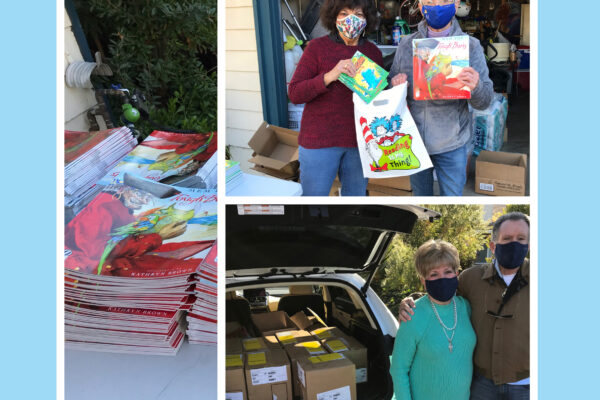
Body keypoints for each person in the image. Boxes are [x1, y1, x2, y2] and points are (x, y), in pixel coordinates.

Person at [398, 212, 530, 399]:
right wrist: (409, 302)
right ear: (493, 246)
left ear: (529, 244)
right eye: (507, 238)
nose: (513, 244)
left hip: (526, 386)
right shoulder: (471, 278)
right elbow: (442, 297)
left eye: (521, 238)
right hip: (481, 385)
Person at [388, 0, 494, 196]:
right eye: (430, 1)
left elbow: (485, 101)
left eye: (444, 1)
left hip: (452, 144)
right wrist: (395, 86)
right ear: (420, 6)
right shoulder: (406, 45)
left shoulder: (470, 46)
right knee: (421, 198)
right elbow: (390, 92)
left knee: (452, 199)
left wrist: (476, 87)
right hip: (414, 141)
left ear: (455, 4)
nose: (437, 6)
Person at [288, 0, 382, 196]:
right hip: (320, 142)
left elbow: (378, 99)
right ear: (334, 18)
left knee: (354, 203)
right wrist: (329, 76)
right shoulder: (316, 48)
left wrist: (393, 86)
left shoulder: (373, 53)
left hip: (360, 143)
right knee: (314, 202)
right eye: (344, 14)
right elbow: (295, 93)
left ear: (367, 19)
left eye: (358, 14)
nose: (351, 20)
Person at [390, 240, 476, 399]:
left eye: (448, 271)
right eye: (434, 274)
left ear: (457, 274)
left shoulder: (466, 308)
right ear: (423, 280)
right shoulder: (412, 314)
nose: (442, 278)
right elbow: (398, 369)